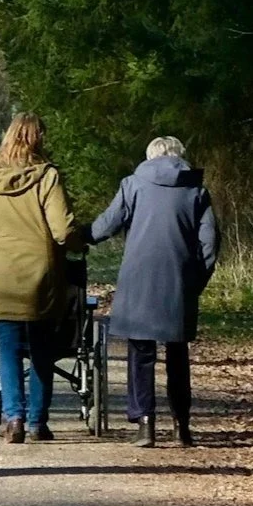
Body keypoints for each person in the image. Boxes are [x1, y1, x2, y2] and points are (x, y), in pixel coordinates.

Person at [90, 134, 218, 447]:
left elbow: (108, 224)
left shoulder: (133, 184)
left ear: (150, 157)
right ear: (179, 156)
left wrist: (83, 235)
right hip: (180, 278)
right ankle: (181, 426)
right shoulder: (196, 191)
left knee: (141, 350)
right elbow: (210, 243)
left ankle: (145, 423)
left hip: (139, 278)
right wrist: (195, 281)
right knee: (177, 353)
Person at [0, 113, 77, 445]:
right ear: (38, 139)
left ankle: (13, 417)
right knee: (42, 352)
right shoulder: (47, 177)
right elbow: (62, 230)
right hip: (41, 277)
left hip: (1, 274)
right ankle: (37, 422)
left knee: (7, 349)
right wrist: (78, 242)